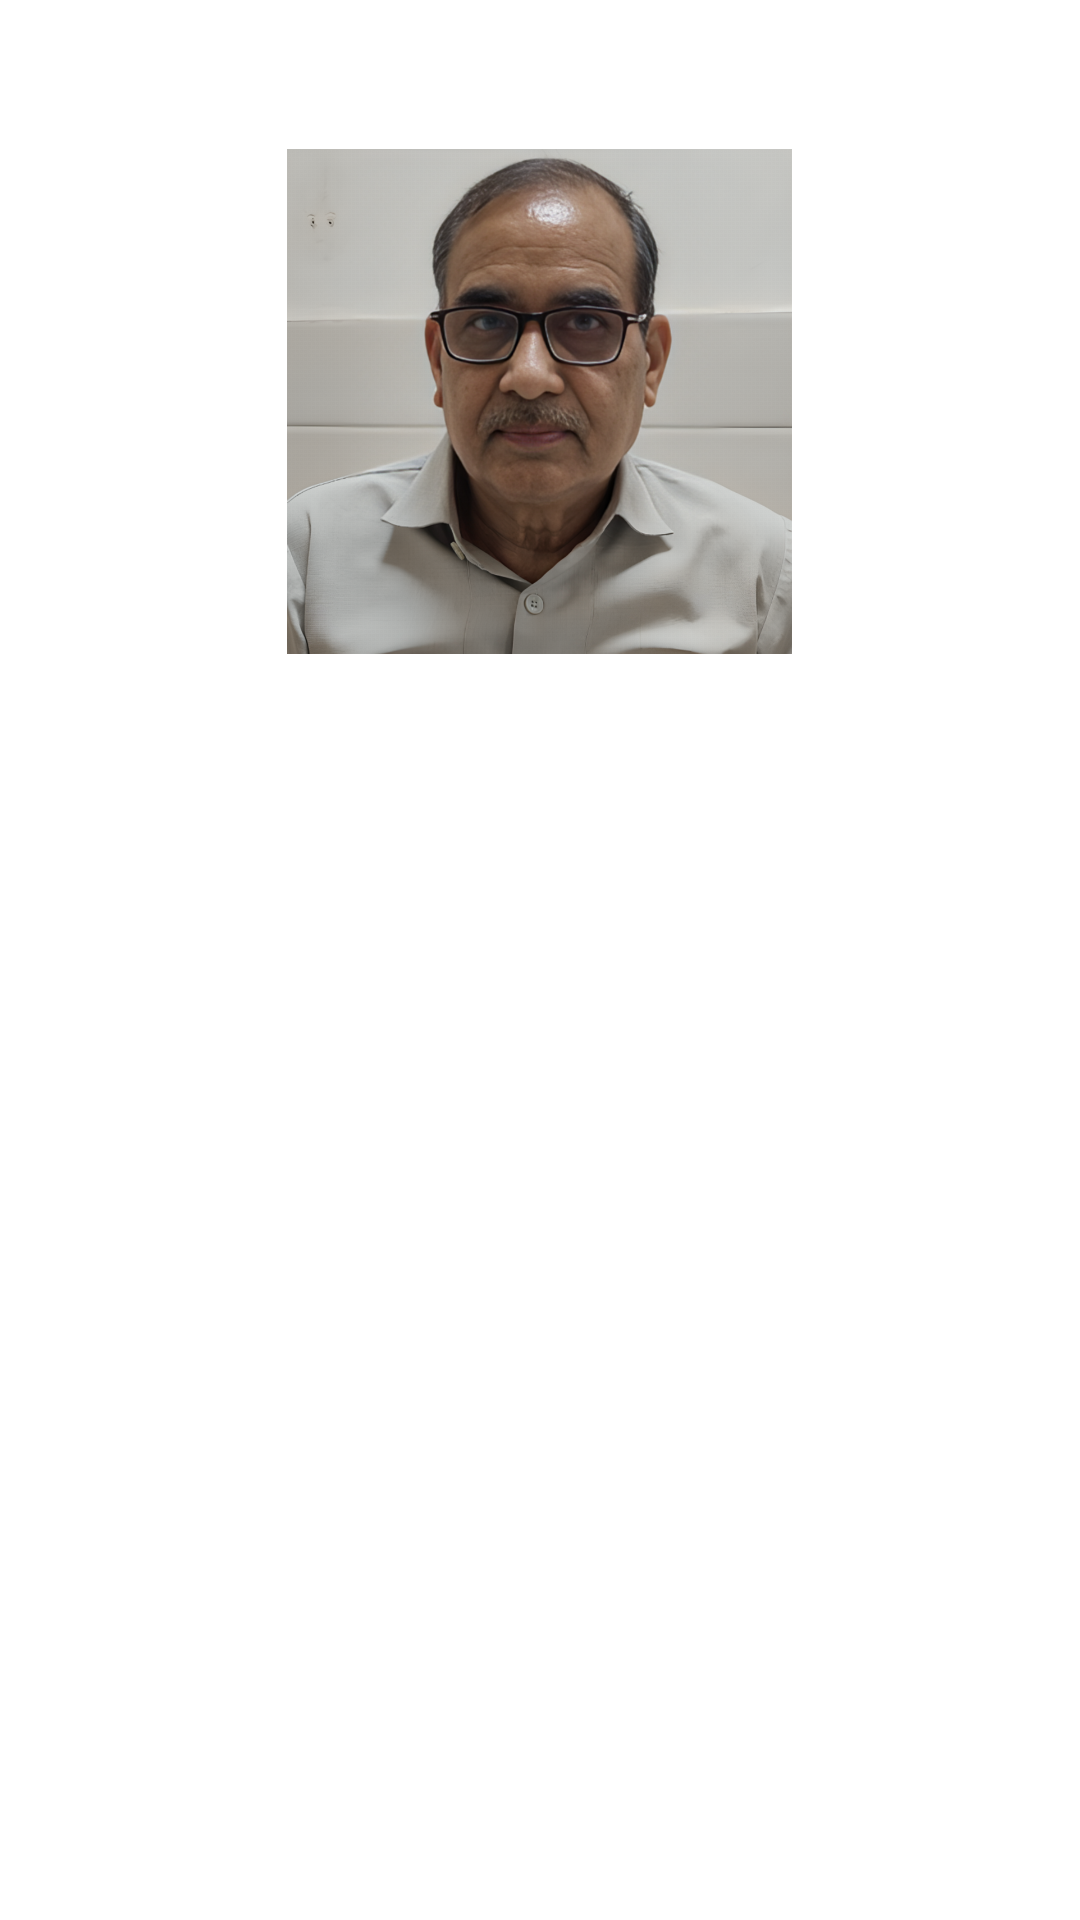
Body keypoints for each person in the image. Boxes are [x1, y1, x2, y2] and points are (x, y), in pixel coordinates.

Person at [287, 158, 791, 653]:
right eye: (487, 321)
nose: (529, 377)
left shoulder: (764, 578)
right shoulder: (307, 557)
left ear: (651, 363)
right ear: (439, 360)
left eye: (586, 322)